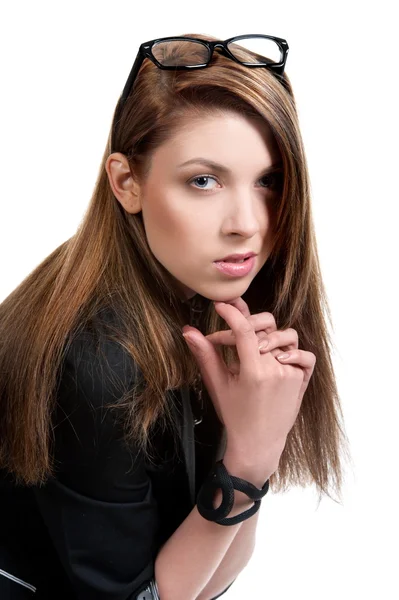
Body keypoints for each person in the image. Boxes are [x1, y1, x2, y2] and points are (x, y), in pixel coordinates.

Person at [0, 33, 350, 599]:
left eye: (269, 181)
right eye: (203, 181)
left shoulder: (189, 296)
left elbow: (208, 581)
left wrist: (246, 461)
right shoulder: (96, 358)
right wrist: (248, 462)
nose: (246, 223)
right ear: (127, 183)